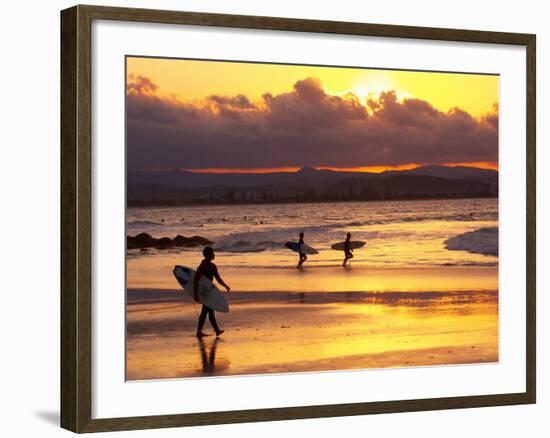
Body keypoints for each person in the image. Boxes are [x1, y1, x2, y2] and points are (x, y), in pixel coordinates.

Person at [193, 246, 230, 338]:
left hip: (210, 291)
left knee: (208, 311)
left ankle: (210, 330)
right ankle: (208, 330)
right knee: (207, 311)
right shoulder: (202, 266)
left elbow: (218, 278)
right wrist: (195, 294)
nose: (214, 255)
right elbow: (196, 280)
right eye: (212, 253)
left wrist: (225, 285)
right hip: (204, 291)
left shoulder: (213, 266)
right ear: (208, 255)